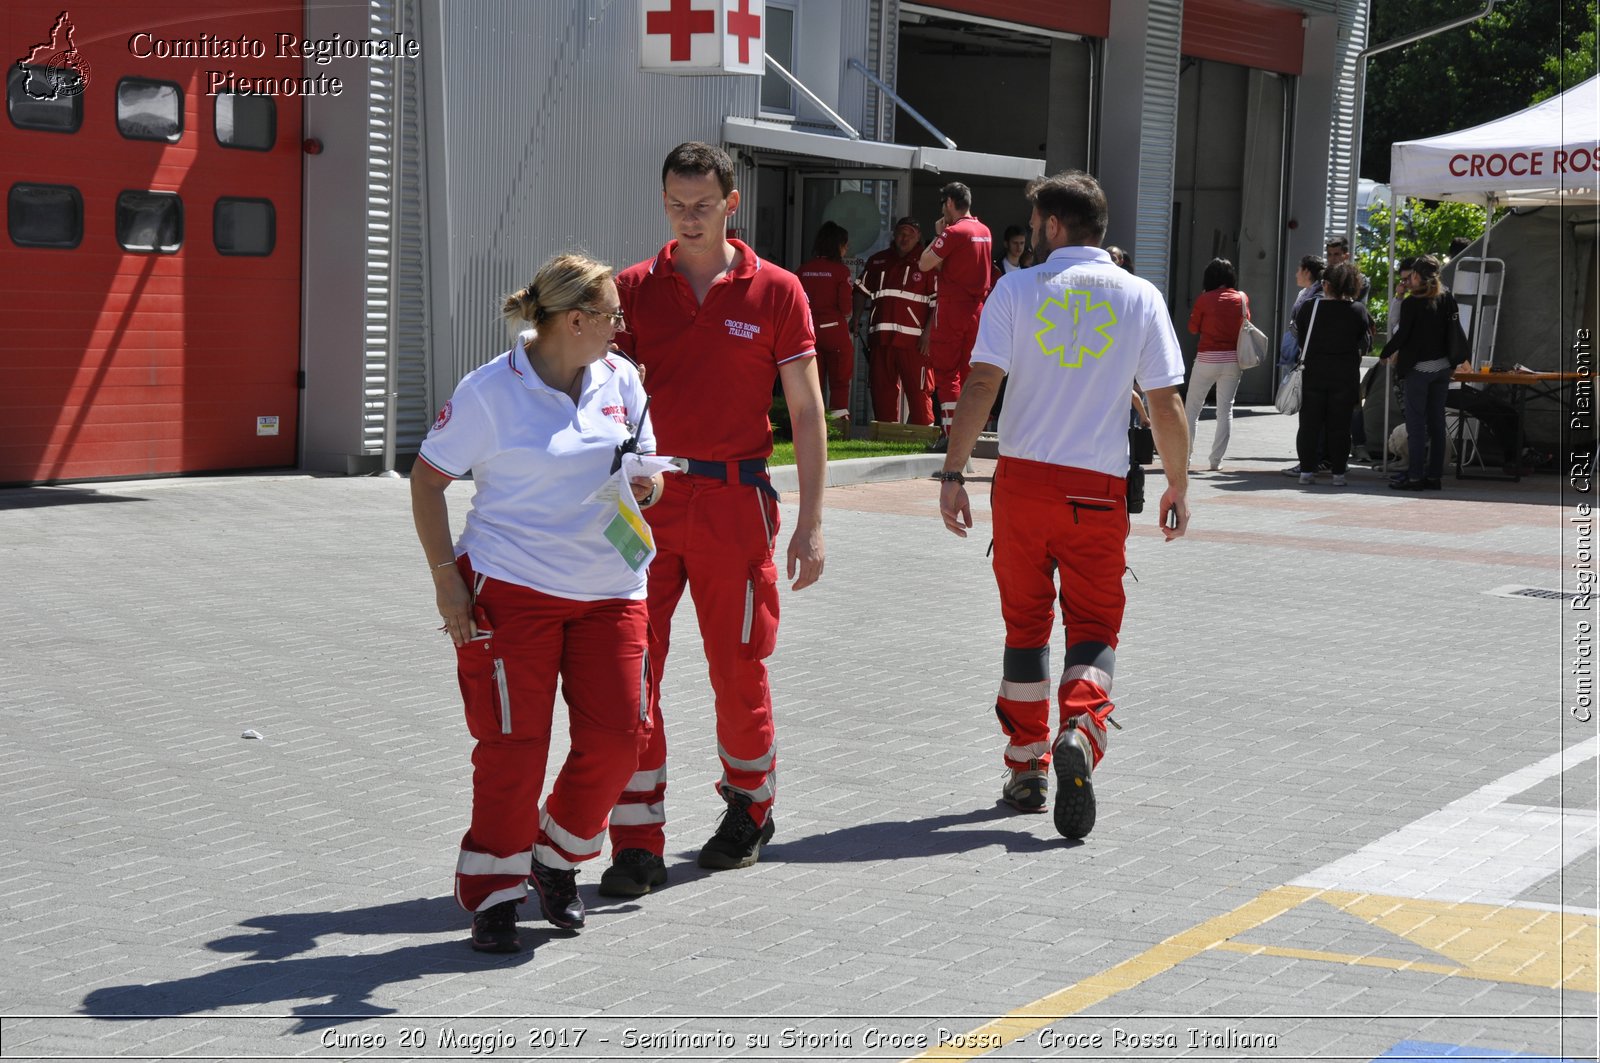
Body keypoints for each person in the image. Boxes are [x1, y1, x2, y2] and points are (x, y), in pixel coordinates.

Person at [411, 252, 666, 953]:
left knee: (620, 739)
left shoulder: (623, 379)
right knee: (512, 750)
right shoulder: (491, 390)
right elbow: (427, 480)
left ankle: (555, 857)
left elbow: (647, 466)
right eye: (613, 315)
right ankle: (493, 893)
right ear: (574, 320)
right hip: (512, 590)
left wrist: (648, 488)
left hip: (612, 590)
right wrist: (445, 578)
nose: (622, 326)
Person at [600, 142, 827, 897]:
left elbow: (806, 409)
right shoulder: (630, 289)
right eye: (675, 204)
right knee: (630, 667)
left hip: (735, 501)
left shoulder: (778, 291)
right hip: (644, 505)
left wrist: (812, 521)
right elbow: (599, 399)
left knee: (739, 664)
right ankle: (635, 836)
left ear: (733, 203)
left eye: (702, 205)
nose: (687, 219)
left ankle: (749, 807)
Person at [935, 170, 1189, 841]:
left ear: (1051, 226)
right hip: (1095, 490)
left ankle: (1027, 768)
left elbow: (983, 380)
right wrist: (1178, 484)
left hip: (1021, 486)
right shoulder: (1141, 296)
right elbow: (1164, 400)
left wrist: (953, 471)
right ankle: (1081, 725)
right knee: (1094, 626)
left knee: (1024, 629)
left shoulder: (1016, 287)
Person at [1379, 254, 1463, 490]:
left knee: (1416, 426)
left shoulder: (1412, 303)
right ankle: (1434, 476)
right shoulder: (1447, 299)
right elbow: (1454, 331)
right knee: (1437, 423)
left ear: (1415, 275)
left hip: (1419, 369)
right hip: (1443, 368)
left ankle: (1415, 476)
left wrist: (1385, 353)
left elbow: (1402, 335)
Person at [919, 182, 994, 443]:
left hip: (952, 310)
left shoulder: (954, 232)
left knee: (947, 374)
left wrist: (940, 233)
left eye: (943, 204)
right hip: (977, 311)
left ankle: (952, 438)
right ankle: (968, 436)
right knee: (967, 374)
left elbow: (924, 263)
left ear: (949, 203)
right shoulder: (984, 230)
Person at [1292, 262, 1372, 487]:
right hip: (1344, 375)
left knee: (1309, 424)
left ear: (1326, 285)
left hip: (1313, 372)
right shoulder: (1357, 310)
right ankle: (1338, 474)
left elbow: (1300, 336)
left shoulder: (1310, 307)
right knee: (1340, 426)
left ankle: (1306, 471)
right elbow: (1362, 342)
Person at [858, 216, 936, 424]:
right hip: (881, 340)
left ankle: (922, 437)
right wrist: (856, 320)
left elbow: (938, 303)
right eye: (901, 233)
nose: (905, 238)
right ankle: (885, 439)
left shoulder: (928, 263)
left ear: (918, 237)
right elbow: (860, 291)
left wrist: (928, 335)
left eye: (910, 234)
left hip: (915, 343)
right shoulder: (878, 260)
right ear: (894, 234)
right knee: (881, 391)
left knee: (919, 391)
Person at [1184, 258, 1251, 472]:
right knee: (1225, 411)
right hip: (1232, 360)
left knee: (1192, 409)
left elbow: (1193, 329)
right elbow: (1246, 323)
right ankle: (1215, 461)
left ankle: (1185, 458)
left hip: (1206, 359)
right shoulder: (1241, 298)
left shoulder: (1204, 299)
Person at [797, 221, 857, 424]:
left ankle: (813, 424)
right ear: (837, 245)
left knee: (814, 383)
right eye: (845, 244)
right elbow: (846, 308)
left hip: (808, 333)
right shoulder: (841, 272)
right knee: (840, 382)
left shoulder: (803, 270)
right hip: (834, 333)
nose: (846, 249)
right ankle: (838, 427)